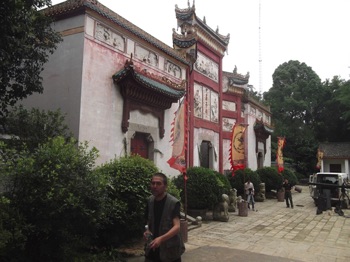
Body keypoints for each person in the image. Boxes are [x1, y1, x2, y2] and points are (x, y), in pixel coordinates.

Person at [144, 172, 185, 262]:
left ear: (165, 186)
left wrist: (161, 239)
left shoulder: (173, 203)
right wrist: (147, 230)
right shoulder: (150, 201)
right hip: (152, 247)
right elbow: (148, 221)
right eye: (153, 183)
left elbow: (177, 227)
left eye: (158, 183)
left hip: (169, 250)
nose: (155, 186)